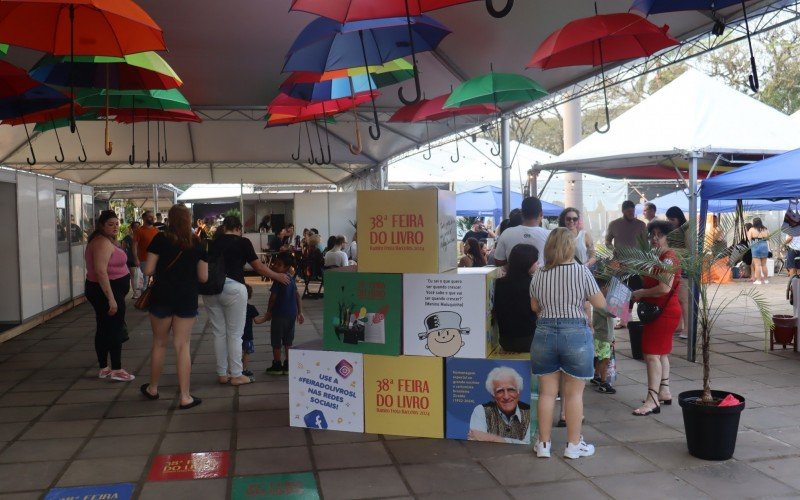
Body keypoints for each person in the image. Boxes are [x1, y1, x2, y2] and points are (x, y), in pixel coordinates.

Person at [530, 228, 606, 459]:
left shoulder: (539, 274)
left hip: (543, 334)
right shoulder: (582, 272)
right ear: (570, 247)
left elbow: (535, 307)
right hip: (575, 336)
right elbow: (600, 302)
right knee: (573, 395)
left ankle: (543, 445)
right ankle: (573, 445)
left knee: (546, 394)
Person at [203, 215, 290, 386]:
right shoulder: (242, 242)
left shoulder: (213, 243)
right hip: (234, 288)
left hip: (211, 289)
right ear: (238, 228)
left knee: (219, 332)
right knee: (235, 334)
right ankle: (236, 374)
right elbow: (258, 267)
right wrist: (277, 276)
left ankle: (222, 373)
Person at [140, 204, 208, 409]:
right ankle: (185, 396)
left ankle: (153, 388)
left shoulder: (159, 239)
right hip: (186, 298)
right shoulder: (198, 243)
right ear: (189, 220)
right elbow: (204, 277)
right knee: (183, 346)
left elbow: (149, 270)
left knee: (159, 343)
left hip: (161, 296)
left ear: (169, 219)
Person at [630, 220, 681, 416]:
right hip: (666, 310)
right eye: (652, 234)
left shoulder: (668, 258)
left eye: (659, 234)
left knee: (651, 355)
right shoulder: (661, 257)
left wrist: (641, 292)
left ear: (668, 237)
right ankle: (664, 391)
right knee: (661, 354)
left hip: (663, 312)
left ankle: (652, 400)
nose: (654, 238)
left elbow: (664, 288)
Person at [84, 210, 134, 382]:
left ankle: (105, 368)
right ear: (102, 226)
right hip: (105, 291)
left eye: (116, 223)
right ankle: (117, 369)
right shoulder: (101, 243)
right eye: (110, 224)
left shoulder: (104, 240)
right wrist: (111, 298)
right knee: (114, 329)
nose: (115, 227)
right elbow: (100, 271)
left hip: (107, 289)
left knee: (105, 327)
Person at [606, 201, 647, 328]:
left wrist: (645, 261)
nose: (632, 213)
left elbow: (646, 245)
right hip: (619, 262)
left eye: (633, 211)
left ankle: (628, 317)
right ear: (623, 211)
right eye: (629, 211)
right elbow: (607, 240)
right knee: (620, 290)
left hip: (636, 263)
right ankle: (622, 319)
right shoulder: (614, 224)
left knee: (635, 289)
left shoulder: (641, 225)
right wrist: (612, 249)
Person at [264, 252, 304, 375]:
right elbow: (297, 296)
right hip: (291, 314)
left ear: (286, 267)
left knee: (276, 340)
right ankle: (288, 365)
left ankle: (277, 365)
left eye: (279, 264)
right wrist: (300, 312)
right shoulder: (291, 279)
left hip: (279, 314)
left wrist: (269, 311)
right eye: (275, 263)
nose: (275, 266)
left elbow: (273, 298)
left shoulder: (278, 280)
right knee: (288, 340)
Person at [468, 366, 531, 444]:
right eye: (500, 391)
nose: (506, 397)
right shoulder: (481, 411)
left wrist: (493, 438)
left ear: (519, 392)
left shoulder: (530, 412)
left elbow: (529, 443)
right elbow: (476, 440)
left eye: (511, 390)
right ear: (493, 396)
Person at [493, 244, 538, 352]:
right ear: (527, 263)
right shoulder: (533, 284)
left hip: (505, 341)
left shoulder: (499, 283)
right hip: (529, 340)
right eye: (536, 261)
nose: (538, 264)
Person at [494, 197, 550, 268]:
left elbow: (499, 261)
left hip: (514, 277)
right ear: (541, 214)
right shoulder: (549, 235)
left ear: (522, 213)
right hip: (540, 277)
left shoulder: (507, 233)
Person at [665, 206, 689, 338]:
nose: (670, 222)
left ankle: (688, 328)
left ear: (679, 218)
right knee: (676, 298)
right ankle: (679, 326)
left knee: (684, 299)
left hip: (684, 266)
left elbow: (690, 248)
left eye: (673, 219)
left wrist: (673, 251)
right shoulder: (671, 229)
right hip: (673, 266)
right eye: (668, 219)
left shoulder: (686, 227)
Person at [591, 276, 616, 394]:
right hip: (603, 337)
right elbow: (612, 314)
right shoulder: (600, 303)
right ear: (603, 288)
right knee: (604, 360)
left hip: (604, 336)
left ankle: (596, 376)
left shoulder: (602, 301)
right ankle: (604, 382)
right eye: (608, 288)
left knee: (600, 358)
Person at [133, 211, 160, 298]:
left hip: (157, 260)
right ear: (144, 218)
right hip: (144, 260)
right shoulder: (139, 231)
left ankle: (154, 298)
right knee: (145, 281)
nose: (152, 218)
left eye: (153, 216)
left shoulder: (157, 231)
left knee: (157, 280)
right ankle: (144, 300)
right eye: (149, 216)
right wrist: (136, 258)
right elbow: (134, 246)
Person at [242, 284, 267, 378]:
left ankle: (233, 370)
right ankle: (243, 370)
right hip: (247, 335)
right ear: (250, 295)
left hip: (235, 334)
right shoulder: (251, 308)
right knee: (246, 352)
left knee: (234, 352)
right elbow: (257, 321)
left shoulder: (233, 307)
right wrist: (266, 318)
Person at [748, 217, 771, 285]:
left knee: (757, 265)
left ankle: (758, 280)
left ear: (754, 222)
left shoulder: (751, 229)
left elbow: (749, 239)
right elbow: (768, 239)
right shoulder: (765, 229)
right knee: (764, 264)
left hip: (755, 245)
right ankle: (766, 280)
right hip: (764, 245)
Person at [121, 221, 140, 298]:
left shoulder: (141, 236)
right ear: (132, 228)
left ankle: (138, 292)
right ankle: (135, 292)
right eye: (135, 227)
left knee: (138, 276)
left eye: (138, 226)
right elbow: (123, 249)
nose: (137, 228)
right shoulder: (127, 238)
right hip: (130, 259)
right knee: (134, 276)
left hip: (140, 259)